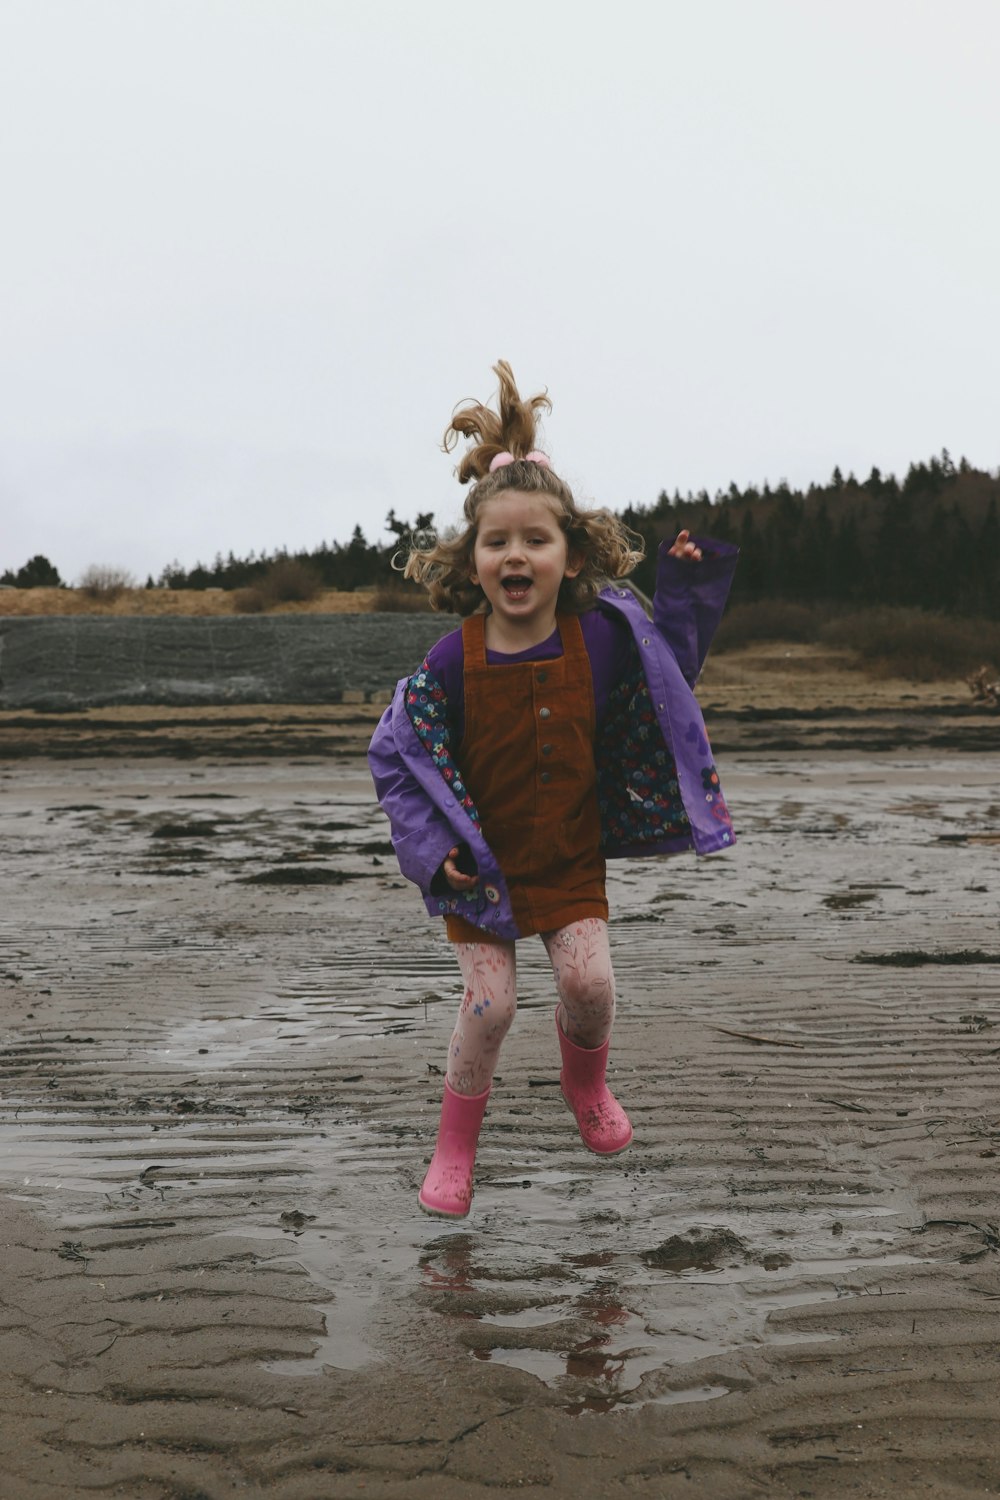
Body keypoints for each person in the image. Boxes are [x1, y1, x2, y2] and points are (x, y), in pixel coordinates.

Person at [368, 361, 737, 1219]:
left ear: (571, 552)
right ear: (473, 560)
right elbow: (396, 758)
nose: (516, 555)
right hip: (482, 868)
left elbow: (673, 672)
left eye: (536, 539)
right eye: (497, 542)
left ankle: (586, 1088)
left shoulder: (603, 640)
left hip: (569, 855)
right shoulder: (450, 660)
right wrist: (434, 854)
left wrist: (683, 587)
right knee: (491, 1005)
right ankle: (454, 1147)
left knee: (591, 989)